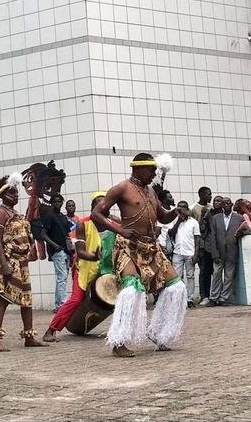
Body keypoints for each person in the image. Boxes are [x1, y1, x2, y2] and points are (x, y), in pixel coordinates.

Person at [91, 153, 187, 358]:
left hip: (151, 247)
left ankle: (159, 332)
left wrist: (176, 212)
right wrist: (119, 230)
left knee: (176, 287)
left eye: (155, 170)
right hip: (128, 246)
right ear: (138, 169)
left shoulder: (150, 191)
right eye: (151, 170)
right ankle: (119, 341)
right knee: (132, 290)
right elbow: (96, 214)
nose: (154, 173)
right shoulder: (122, 188)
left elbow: (162, 215)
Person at [43, 191, 115, 342]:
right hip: (85, 268)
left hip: (107, 270)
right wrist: (93, 257)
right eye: (99, 204)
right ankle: (50, 330)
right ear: (92, 207)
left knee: (117, 298)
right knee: (76, 300)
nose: (102, 207)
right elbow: (81, 252)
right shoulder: (83, 223)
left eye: (105, 204)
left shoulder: (114, 223)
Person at [0, 173, 47, 351]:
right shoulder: (1, 212)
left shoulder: (16, 213)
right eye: (11, 193)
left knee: (26, 300)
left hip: (22, 263)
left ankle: (29, 337)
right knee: (4, 299)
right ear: (2, 195)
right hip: (9, 261)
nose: (15, 195)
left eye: (16, 192)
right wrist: (5, 264)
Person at [205, 197, 247, 306]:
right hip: (218, 252)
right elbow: (212, 236)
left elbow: (248, 230)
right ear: (222, 206)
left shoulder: (239, 218)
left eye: (228, 203)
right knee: (216, 275)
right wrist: (214, 252)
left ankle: (224, 298)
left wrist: (241, 233)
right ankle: (214, 298)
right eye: (224, 204)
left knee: (228, 277)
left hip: (232, 251)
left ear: (232, 204)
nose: (227, 205)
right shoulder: (215, 218)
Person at [158, 201, 200, 307]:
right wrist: (178, 222)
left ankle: (189, 299)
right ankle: (179, 298)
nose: (181, 211)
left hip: (190, 252)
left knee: (190, 276)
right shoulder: (175, 221)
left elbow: (197, 239)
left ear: (187, 210)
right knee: (177, 277)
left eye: (183, 208)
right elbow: (171, 233)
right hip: (177, 252)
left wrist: (196, 254)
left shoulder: (193, 222)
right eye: (179, 208)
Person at [38, 193, 74, 311]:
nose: (57, 203)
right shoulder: (49, 216)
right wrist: (55, 245)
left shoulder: (63, 217)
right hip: (57, 251)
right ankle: (62, 304)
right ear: (52, 203)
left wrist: (71, 248)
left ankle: (59, 304)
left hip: (66, 251)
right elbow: (43, 234)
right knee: (62, 277)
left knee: (62, 277)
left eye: (59, 202)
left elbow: (67, 234)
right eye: (55, 201)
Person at [198, 196, 223, 305]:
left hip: (221, 246)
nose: (217, 203)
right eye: (215, 201)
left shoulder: (225, 214)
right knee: (205, 272)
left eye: (219, 201)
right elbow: (202, 229)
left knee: (218, 272)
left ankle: (219, 295)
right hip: (208, 246)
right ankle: (205, 296)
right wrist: (203, 216)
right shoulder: (209, 213)